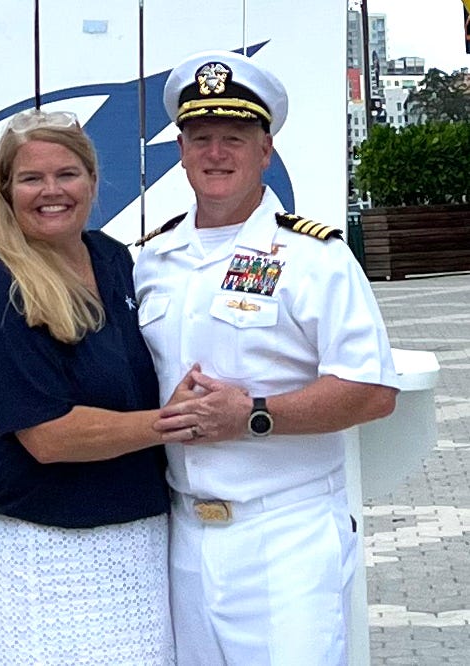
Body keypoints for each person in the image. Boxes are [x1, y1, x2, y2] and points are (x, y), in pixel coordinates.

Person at [134, 50, 400, 666]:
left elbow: (371, 389)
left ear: (266, 151)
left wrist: (253, 413)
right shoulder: (153, 258)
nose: (216, 153)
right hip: (184, 538)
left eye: (235, 137)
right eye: (202, 138)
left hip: (287, 535)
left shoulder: (315, 256)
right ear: (181, 150)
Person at [0, 109, 190, 665]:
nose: (51, 191)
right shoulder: (6, 292)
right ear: (7, 192)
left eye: (66, 174)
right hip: (41, 552)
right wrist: (174, 422)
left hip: (139, 542)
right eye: (31, 178)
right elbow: (49, 437)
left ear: (92, 181)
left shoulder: (113, 259)